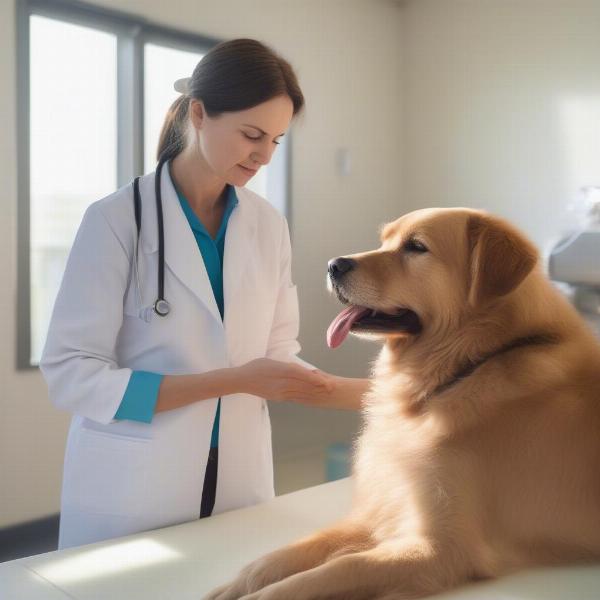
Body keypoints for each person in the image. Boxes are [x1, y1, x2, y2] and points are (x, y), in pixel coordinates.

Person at [39, 38, 369, 550]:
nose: (263, 156)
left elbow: (278, 356)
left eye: (277, 141)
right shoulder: (115, 220)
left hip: (237, 474)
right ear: (199, 113)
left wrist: (385, 396)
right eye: (252, 134)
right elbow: (72, 374)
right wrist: (232, 379)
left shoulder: (267, 226)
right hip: (136, 482)